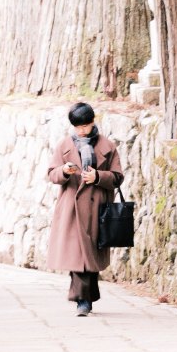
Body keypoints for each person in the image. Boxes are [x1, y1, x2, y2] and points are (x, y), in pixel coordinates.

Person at [46, 101, 122, 315]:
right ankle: (82, 299)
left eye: (85, 126)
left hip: (97, 207)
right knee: (77, 255)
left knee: (90, 255)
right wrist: (64, 170)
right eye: (78, 127)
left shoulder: (108, 146)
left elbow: (118, 177)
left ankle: (87, 296)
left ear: (92, 123)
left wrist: (98, 176)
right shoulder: (64, 145)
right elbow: (52, 173)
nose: (82, 131)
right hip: (72, 207)